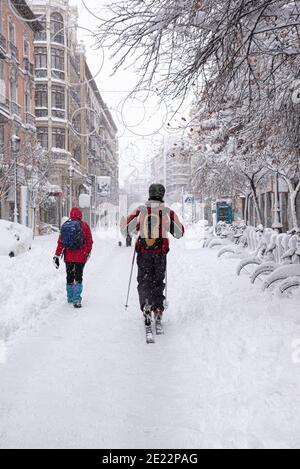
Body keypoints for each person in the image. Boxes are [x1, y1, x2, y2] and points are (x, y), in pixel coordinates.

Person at [122, 184, 184, 335]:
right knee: (157, 280)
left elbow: (127, 229)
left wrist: (139, 228)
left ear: (149, 194)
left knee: (144, 280)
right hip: (160, 254)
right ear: (162, 194)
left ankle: (146, 305)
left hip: (144, 252)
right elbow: (179, 232)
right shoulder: (167, 212)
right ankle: (157, 308)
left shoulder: (141, 210)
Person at [53, 207, 93, 308]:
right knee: (78, 277)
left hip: (68, 257)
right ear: (80, 214)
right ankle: (77, 299)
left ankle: (70, 297)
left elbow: (60, 242)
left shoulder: (65, 225)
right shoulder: (84, 225)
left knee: (69, 276)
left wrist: (57, 254)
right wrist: (87, 252)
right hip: (80, 256)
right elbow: (89, 241)